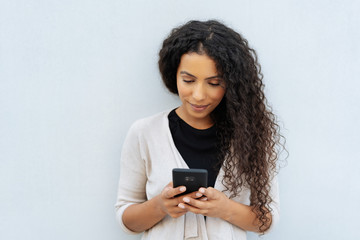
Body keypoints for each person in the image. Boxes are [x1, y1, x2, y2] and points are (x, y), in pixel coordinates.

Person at [115, 20, 284, 240]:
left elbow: (268, 218)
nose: (198, 95)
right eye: (188, 80)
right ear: (173, 75)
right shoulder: (144, 133)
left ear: (231, 83)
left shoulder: (251, 133)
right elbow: (126, 217)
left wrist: (225, 209)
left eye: (214, 83)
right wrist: (160, 206)